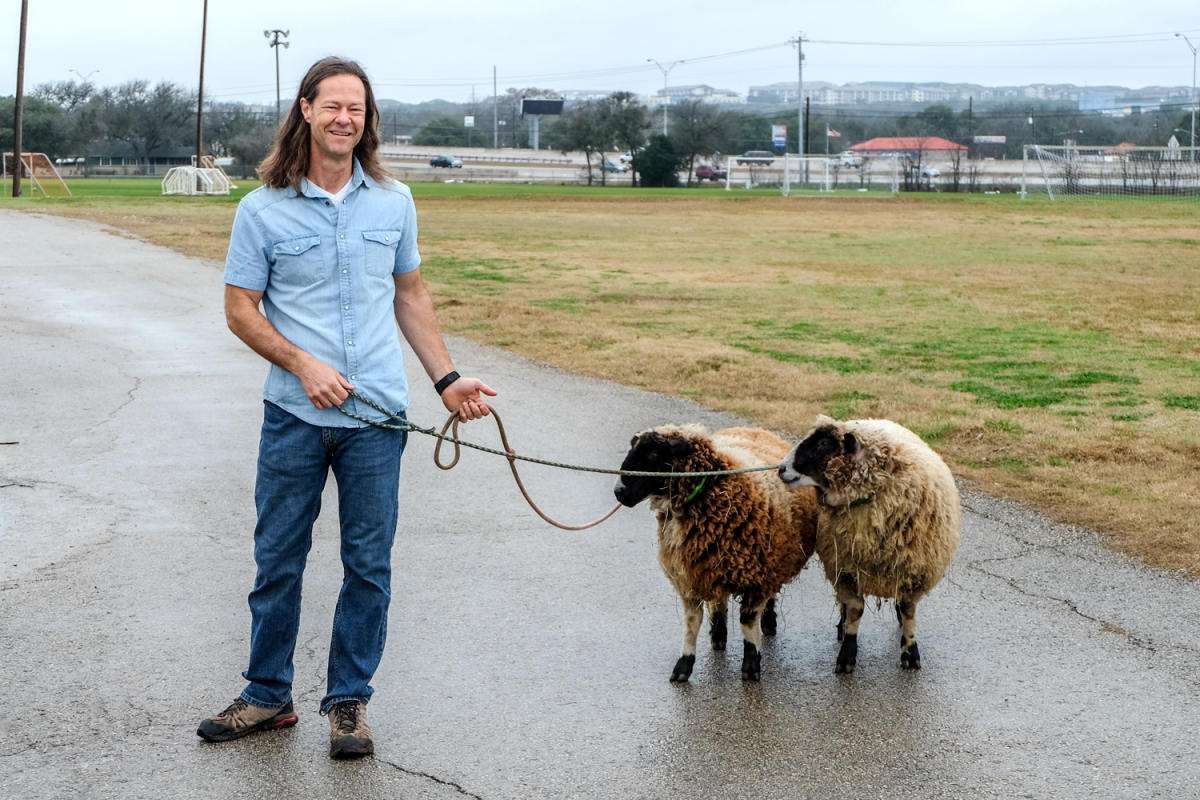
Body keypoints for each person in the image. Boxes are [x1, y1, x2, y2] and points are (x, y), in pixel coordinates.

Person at [197, 56, 495, 759]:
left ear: (367, 120)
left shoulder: (394, 202)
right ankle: (267, 694)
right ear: (305, 109)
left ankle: (348, 703)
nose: (344, 119)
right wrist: (302, 364)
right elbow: (241, 310)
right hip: (294, 417)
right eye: (331, 106)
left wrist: (446, 378)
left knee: (368, 565)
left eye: (355, 109)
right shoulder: (261, 208)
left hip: (377, 421)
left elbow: (410, 294)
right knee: (278, 561)